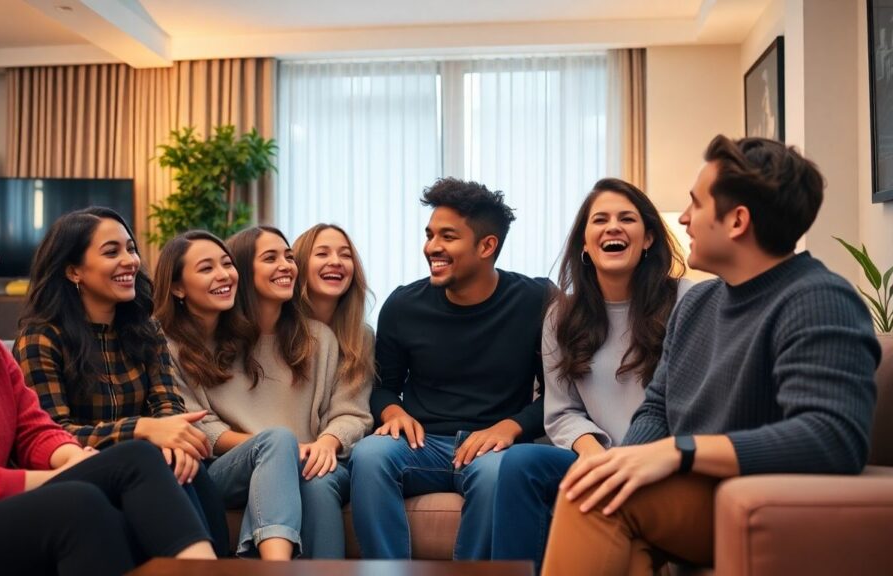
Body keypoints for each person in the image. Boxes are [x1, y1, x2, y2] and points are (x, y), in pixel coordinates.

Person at [542, 135, 881, 575]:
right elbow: (658, 407)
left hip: (762, 495)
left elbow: (831, 436)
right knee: (599, 487)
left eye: (696, 205)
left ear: (737, 221)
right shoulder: (698, 304)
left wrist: (682, 452)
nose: (682, 219)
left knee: (590, 498)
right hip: (701, 491)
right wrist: (630, 461)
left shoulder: (817, 298)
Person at [0, 183, 216, 575]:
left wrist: (74, 459)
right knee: (78, 505)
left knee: (138, 459)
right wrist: (51, 477)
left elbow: (35, 430)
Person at [490, 178, 691, 570]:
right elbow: (560, 412)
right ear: (585, 243)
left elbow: (692, 400)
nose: (612, 227)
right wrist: (596, 456)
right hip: (595, 456)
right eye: (600, 219)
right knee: (518, 464)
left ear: (648, 238)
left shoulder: (687, 299)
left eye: (626, 219)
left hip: (662, 458)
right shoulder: (560, 316)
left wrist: (637, 459)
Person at [349, 178, 554, 559]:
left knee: (497, 475)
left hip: (493, 447)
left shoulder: (536, 301)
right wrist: (393, 411)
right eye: (429, 235)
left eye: (447, 237)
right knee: (370, 456)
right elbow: (383, 386)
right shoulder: (403, 304)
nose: (432, 248)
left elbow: (560, 397)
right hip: (421, 444)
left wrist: (510, 427)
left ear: (486, 245)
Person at [14, 207, 228, 555]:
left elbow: (167, 406)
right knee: (162, 462)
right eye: (112, 252)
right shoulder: (42, 337)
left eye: (131, 249)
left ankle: (215, 562)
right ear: (73, 271)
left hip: (151, 464)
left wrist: (173, 440)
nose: (130, 261)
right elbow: (51, 433)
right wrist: (141, 430)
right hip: (78, 472)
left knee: (185, 467)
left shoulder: (146, 327)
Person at [156, 226, 369, 559]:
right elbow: (198, 423)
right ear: (243, 270)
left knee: (315, 482)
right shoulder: (210, 340)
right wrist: (280, 449)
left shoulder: (319, 338)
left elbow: (350, 412)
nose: (286, 265)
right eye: (271, 258)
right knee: (279, 441)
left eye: (288, 257)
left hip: (309, 461)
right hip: (230, 467)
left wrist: (324, 443)